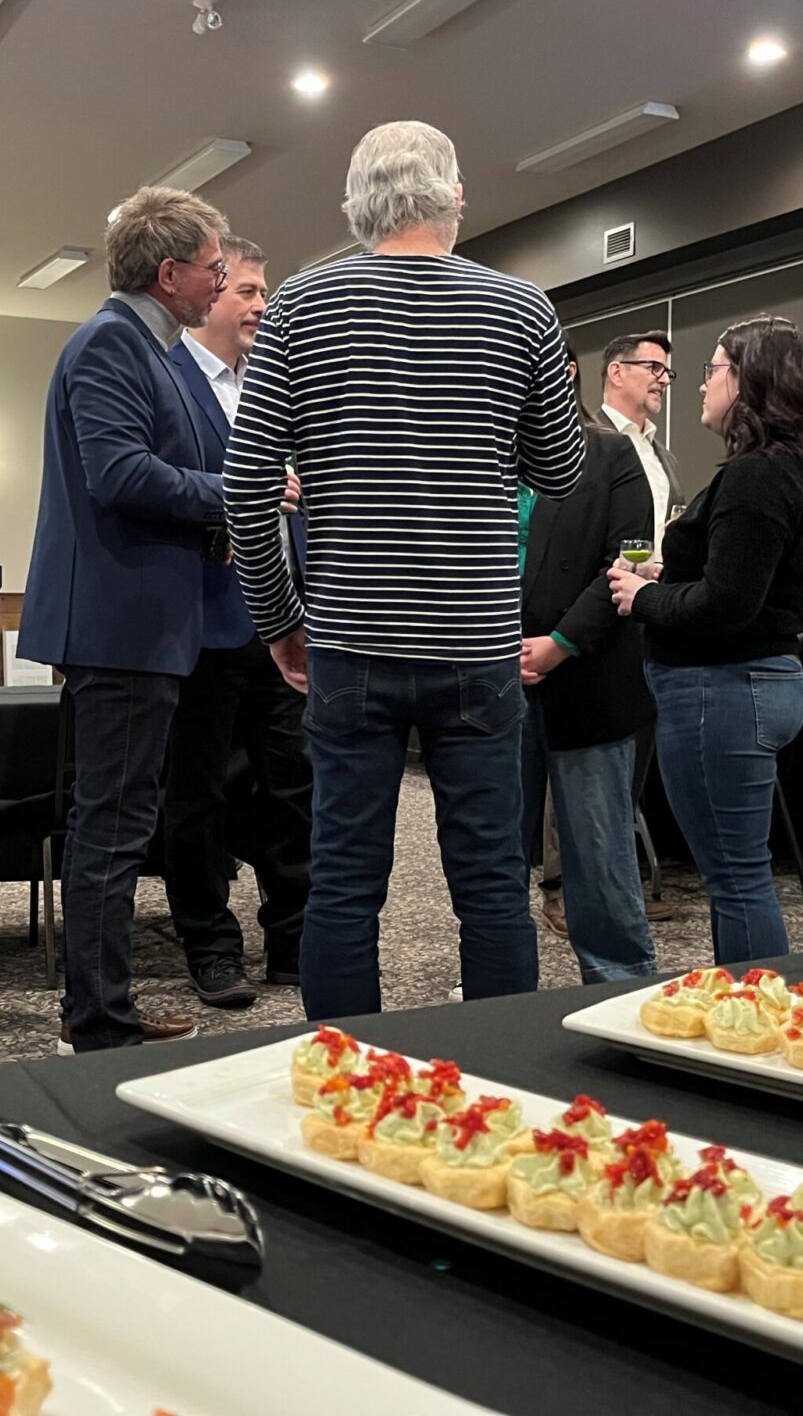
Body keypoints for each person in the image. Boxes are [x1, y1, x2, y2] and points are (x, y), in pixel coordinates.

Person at [225, 120, 584, 1021]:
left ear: (356, 206)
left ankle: (345, 1082)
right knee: (493, 879)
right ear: (454, 199)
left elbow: (245, 488)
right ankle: (504, 1078)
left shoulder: (300, 309)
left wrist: (280, 622)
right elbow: (564, 472)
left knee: (344, 880)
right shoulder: (522, 309)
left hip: (349, 643)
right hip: (475, 645)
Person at [19, 185, 284, 1052]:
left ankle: (102, 1010)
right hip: (121, 625)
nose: (223, 282)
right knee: (113, 829)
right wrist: (237, 496)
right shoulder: (112, 344)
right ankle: (97, 1023)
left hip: (142, 622)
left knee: (122, 823)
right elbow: (122, 476)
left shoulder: (145, 344)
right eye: (215, 268)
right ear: (169, 273)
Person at [608, 317, 803, 965]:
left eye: (712, 369)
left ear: (748, 382)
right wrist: (667, 572)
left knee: (736, 881)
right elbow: (741, 582)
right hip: (751, 685)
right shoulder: (784, 469)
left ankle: (752, 1022)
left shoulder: (755, 477)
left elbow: (727, 606)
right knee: (742, 874)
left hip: (723, 690)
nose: (700, 384)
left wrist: (642, 596)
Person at [162, 234, 311, 1009]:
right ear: (211, 293)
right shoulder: (170, 377)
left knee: (294, 790)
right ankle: (210, 946)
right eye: (249, 291)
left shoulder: (277, 386)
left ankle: (293, 940)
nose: (262, 305)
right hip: (203, 626)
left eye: (265, 293)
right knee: (200, 797)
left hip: (284, 624)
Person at [519, 407, 658, 983]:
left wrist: (560, 642)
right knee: (494, 853)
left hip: (589, 674)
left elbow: (629, 557)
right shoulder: (477, 453)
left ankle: (619, 978)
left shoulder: (609, 456)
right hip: (491, 676)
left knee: (599, 850)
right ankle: (501, 981)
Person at [599, 331, 682, 560]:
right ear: (617, 373)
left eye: (667, 372)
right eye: (654, 368)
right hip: (591, 590)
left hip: (652, 591)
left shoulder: (666, 459)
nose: (664, 380)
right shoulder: (584, 440)